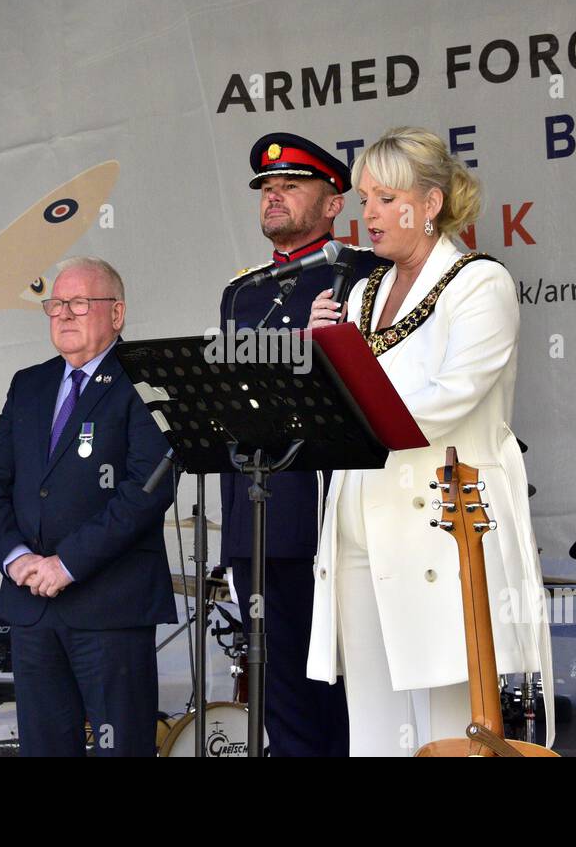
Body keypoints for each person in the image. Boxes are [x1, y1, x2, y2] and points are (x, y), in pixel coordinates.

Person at [307, 127, 553, 756]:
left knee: (450, 724)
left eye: (387, 199)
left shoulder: (480, 283)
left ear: (432, 202)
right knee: (373, 724)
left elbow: (452, 395)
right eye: (365, 200)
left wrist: (350, 410)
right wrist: (320, 359)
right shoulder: (362, 292)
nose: (371, 215)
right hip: (361, 524)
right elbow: (335, 404)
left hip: (446, 526)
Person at [217, 132, 385, 756]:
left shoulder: (366, 274)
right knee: (278, 690)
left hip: (327, 515)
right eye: (266, 187)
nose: (274, 197)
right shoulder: (242, 290)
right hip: (258, 515)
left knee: (343, 691)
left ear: (335, 201)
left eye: (291, 185)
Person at [0, 256, 175, 757]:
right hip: (33, 607)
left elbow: (147, 489)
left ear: (117, 313)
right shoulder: (29, 384)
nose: (64, 314)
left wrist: (68, 563)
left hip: (110, 607)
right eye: (56, 304)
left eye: (81, 303)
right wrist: (17, 558)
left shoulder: (147, 380)